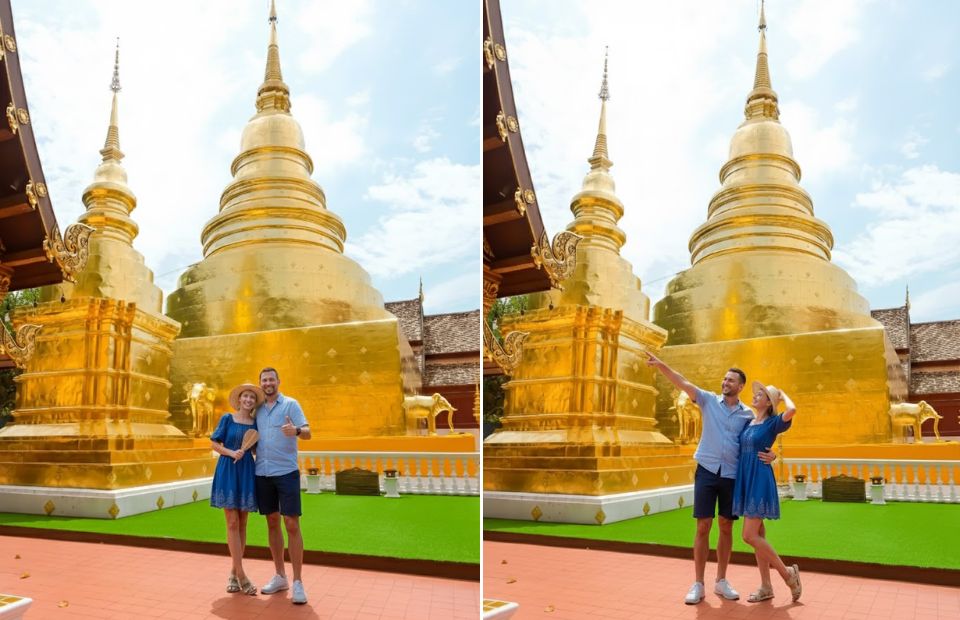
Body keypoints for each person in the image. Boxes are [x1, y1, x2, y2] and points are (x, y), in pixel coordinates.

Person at [646, 352, 775, 605]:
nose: (726, 383)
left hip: (730, 475)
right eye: (725, 379)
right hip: (706, 470)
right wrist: (662, 366)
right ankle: (698, 583)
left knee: (726, 526)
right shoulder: (707, 400)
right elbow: (682, 382)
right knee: (703, 525)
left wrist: (773, 455)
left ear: (740, 386)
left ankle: (721, 580)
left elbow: (762, 434)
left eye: (731, 380)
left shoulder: (747, 415)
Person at [733, 381, 802, 603]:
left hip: (760, 479)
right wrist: (773, 455)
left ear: (768, 402)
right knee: (758, 535)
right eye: (756, 393)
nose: (755, 396)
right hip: (746, 478)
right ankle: (766, 586)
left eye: (760, 394)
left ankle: (787, 574)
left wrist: (782, 394)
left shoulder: (773, 423)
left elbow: (792, 411)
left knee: (748, 535)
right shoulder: (748, 422)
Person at [255, 367, 311, 605]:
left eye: (271, 379)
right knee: (271, 522)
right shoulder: (256, 409)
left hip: (286, 471)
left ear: (278, 381)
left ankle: (298, 581)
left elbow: (308, 433)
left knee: (291, 523)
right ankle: (280, 575)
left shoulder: (291, 405)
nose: (268, 383)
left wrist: (296, 430)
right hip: (263, 472)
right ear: (261, 384)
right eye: (264, 380)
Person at [209, 382, 265, 596]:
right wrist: (232, 453)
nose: (249, 400)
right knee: (231, 521)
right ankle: (242, 576)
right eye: (245, 396)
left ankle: (233, 572)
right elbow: (214, 443)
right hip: (228, 468)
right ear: (239, 399)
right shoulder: (227, 418)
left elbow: (258, 446)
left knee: (243, 523)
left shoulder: (255, 423)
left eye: (252, 397)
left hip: (246, 470)